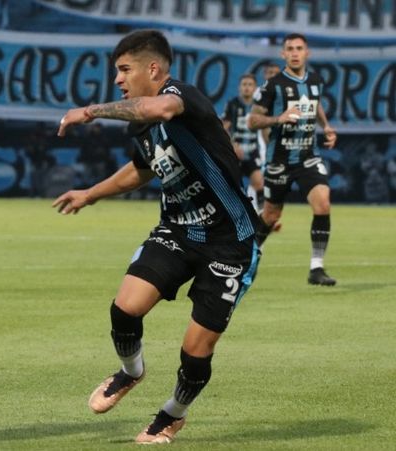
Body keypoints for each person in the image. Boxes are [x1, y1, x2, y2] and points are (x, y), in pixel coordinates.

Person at [53, 30, 260, 445]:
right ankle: (131, 372)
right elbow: (142, 169)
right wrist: (91, 194)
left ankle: (171, 414)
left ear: (153, 68)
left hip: (229, 242)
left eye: (124, 70)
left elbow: (162, 108)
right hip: (178, 231)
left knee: (195, 352)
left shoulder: (180, 96)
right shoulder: (141, 126)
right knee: (124, 309)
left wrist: (91, 112)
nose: (117, 80)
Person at [248, 33, 337, 286]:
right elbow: (253, 120)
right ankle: (248, 256)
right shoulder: (272, 86)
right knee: (271, 215)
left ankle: (316, 269)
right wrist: (279, 118)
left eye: (299, 48)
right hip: (280, 160)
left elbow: (315, 104)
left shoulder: (316, 80)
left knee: (323, 203)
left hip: (308, 156)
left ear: (307, 52)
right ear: (283, 54)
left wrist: (327, 126)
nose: (295, 52)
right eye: (290, 49)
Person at [222, 74, 265, 212]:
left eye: (250, 84)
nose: (247, 87)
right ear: (239, 87)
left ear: (255, 88)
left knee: (259, 183)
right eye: (244, 84)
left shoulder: (259, 106)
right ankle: (230, 216)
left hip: (252, 151)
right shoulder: (233, 104)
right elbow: (223, 127)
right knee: (231, 187)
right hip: (235, 153)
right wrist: (233, 145)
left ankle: (262, 216)